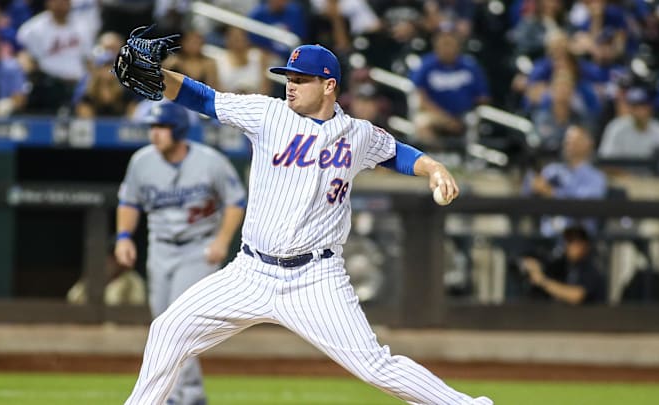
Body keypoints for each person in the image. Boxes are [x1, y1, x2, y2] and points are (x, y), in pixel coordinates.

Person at [117, 42, 492, 405]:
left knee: (375, 366)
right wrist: (160, 76)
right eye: (288, 78)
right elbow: (203, 98)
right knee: (168, 330)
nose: (290, 86)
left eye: (301, 79)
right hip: (249, 273)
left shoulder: (357, 134)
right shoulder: (268, 114)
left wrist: (433, 167)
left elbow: (397, 153)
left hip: (315, 279)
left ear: (329, 86)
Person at [116, 101, 246, 405]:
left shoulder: (210, 161)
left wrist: (222, 241)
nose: (155, 134)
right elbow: (129, 202)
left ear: (179, 130)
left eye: (161, 128)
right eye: (153, 128)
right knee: (162, 324)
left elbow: (235, 201)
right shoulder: (141, 161)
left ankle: (176, 397)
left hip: (197, 250)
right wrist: (124, 236)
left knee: (178, 324)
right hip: (160, 248)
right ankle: (193, 395)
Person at [521, 125, 607, 237]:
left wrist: (552, 193)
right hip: (546, 236)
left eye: (575, 141)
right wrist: (534, 182)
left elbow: (584, 206)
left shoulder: (596, 177)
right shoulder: (552, 170)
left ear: (588, 144)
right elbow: (526, 193)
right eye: (567, 141)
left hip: (579, 237)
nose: (569, 145)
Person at [519, 225, 607, 305]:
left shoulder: (592, 268)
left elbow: (576, 296)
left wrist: (542, 281)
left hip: (590, 319)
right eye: (568, 241)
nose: (569, 246)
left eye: (574, 242)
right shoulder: (563, 265)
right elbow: (546, 269)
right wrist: (535, 268)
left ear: (585, 245)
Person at [67, 237, 146, 306]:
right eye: (109, 256)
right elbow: (72, 298)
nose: (110, 261)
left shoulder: (132, 280)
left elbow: (137, 308)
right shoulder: (93, 279)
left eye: (115, 257)